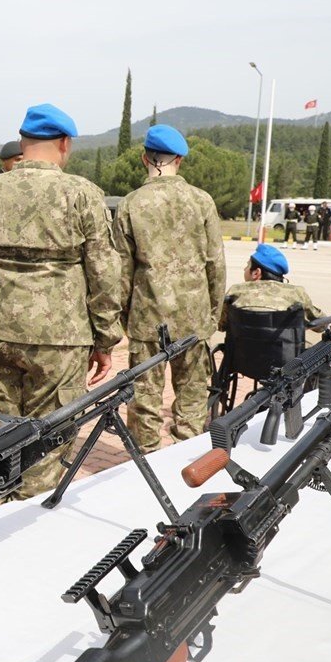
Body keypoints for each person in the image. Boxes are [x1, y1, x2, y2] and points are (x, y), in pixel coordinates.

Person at [0, 103, 121, 501]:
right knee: (47, 441)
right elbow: (104, 274)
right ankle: (28, 519)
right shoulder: (81, 195)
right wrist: (104, 340)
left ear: (23, 142)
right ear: (64, 144)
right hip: (59, 341)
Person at [113, 125, 225, 453]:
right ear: (180, 160)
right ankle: (184, 459)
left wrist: (124, 317)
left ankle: (146, 466)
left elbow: (120, 271)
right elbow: (215, 266)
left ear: (144, 158)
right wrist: (212, 315)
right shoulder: (202, 201)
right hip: (194, 320)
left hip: (148, 320)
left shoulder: (131, 204)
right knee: (192, 401)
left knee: (144, 400)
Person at [220, 244, 323, 329]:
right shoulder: (296, 293)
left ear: (256, 273)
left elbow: (221, 325)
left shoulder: (235, 291)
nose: (244, 269)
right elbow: (321, 325)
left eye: (247, 265)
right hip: (286, 353)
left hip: (239, 352)